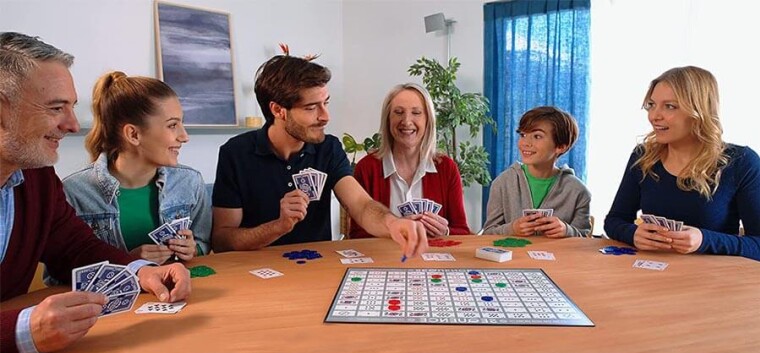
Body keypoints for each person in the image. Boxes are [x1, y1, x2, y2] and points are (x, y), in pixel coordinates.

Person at [0, 32, 191, 353]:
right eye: (56, 107)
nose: (73, 125)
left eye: (72, 107)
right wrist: (20, 331)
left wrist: (142, 273)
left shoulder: (39, 178)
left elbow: (75, 247)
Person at [211, 53, 427, 257]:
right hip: (253, 274)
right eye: (311, 107)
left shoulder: (329, 148)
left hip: (317, 268)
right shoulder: (235, 154)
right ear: (278, 110)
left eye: (326, 103)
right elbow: (222, 241)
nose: (325, 116)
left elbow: (361, 205)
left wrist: (392, 223)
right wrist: (278, 227)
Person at [604, 66, 760, 260]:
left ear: (699, 111)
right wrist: (632, 234)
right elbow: (614, 220)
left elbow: (757, 244)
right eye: (651, 105)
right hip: (651, 275)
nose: (654, 116)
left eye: (670, 106)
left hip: (715, 281)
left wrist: (704, 239)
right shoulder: (642, 156)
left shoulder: (742, 161)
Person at [59, 71, 211, 267]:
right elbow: (56, 277)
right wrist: (126, 262)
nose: (184, 136)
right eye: (172, 125)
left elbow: (204, 245)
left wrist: (193, 249)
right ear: (133, 134)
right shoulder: (73, 192)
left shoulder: (190, 182)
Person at [350, 83, 470, 238]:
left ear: (428, 120)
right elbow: (357, 236)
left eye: (416, 113)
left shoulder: (446, 168)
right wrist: (391, 229)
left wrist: (445, 232)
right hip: (384, 260)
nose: (406, 121)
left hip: (433, 260)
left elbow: (463, 232)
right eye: (398, 112)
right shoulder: (366, 169)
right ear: (388, 120)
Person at [483, 106, 591, 237]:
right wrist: (512, 229)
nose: (525, 143)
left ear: (561, 146)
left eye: (537, 136)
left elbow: (584, 240)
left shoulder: (579, 192)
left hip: (559, 257)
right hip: (515, 257)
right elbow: (488, 234)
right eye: (523, 135)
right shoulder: (502, 183)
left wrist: (567, 231)